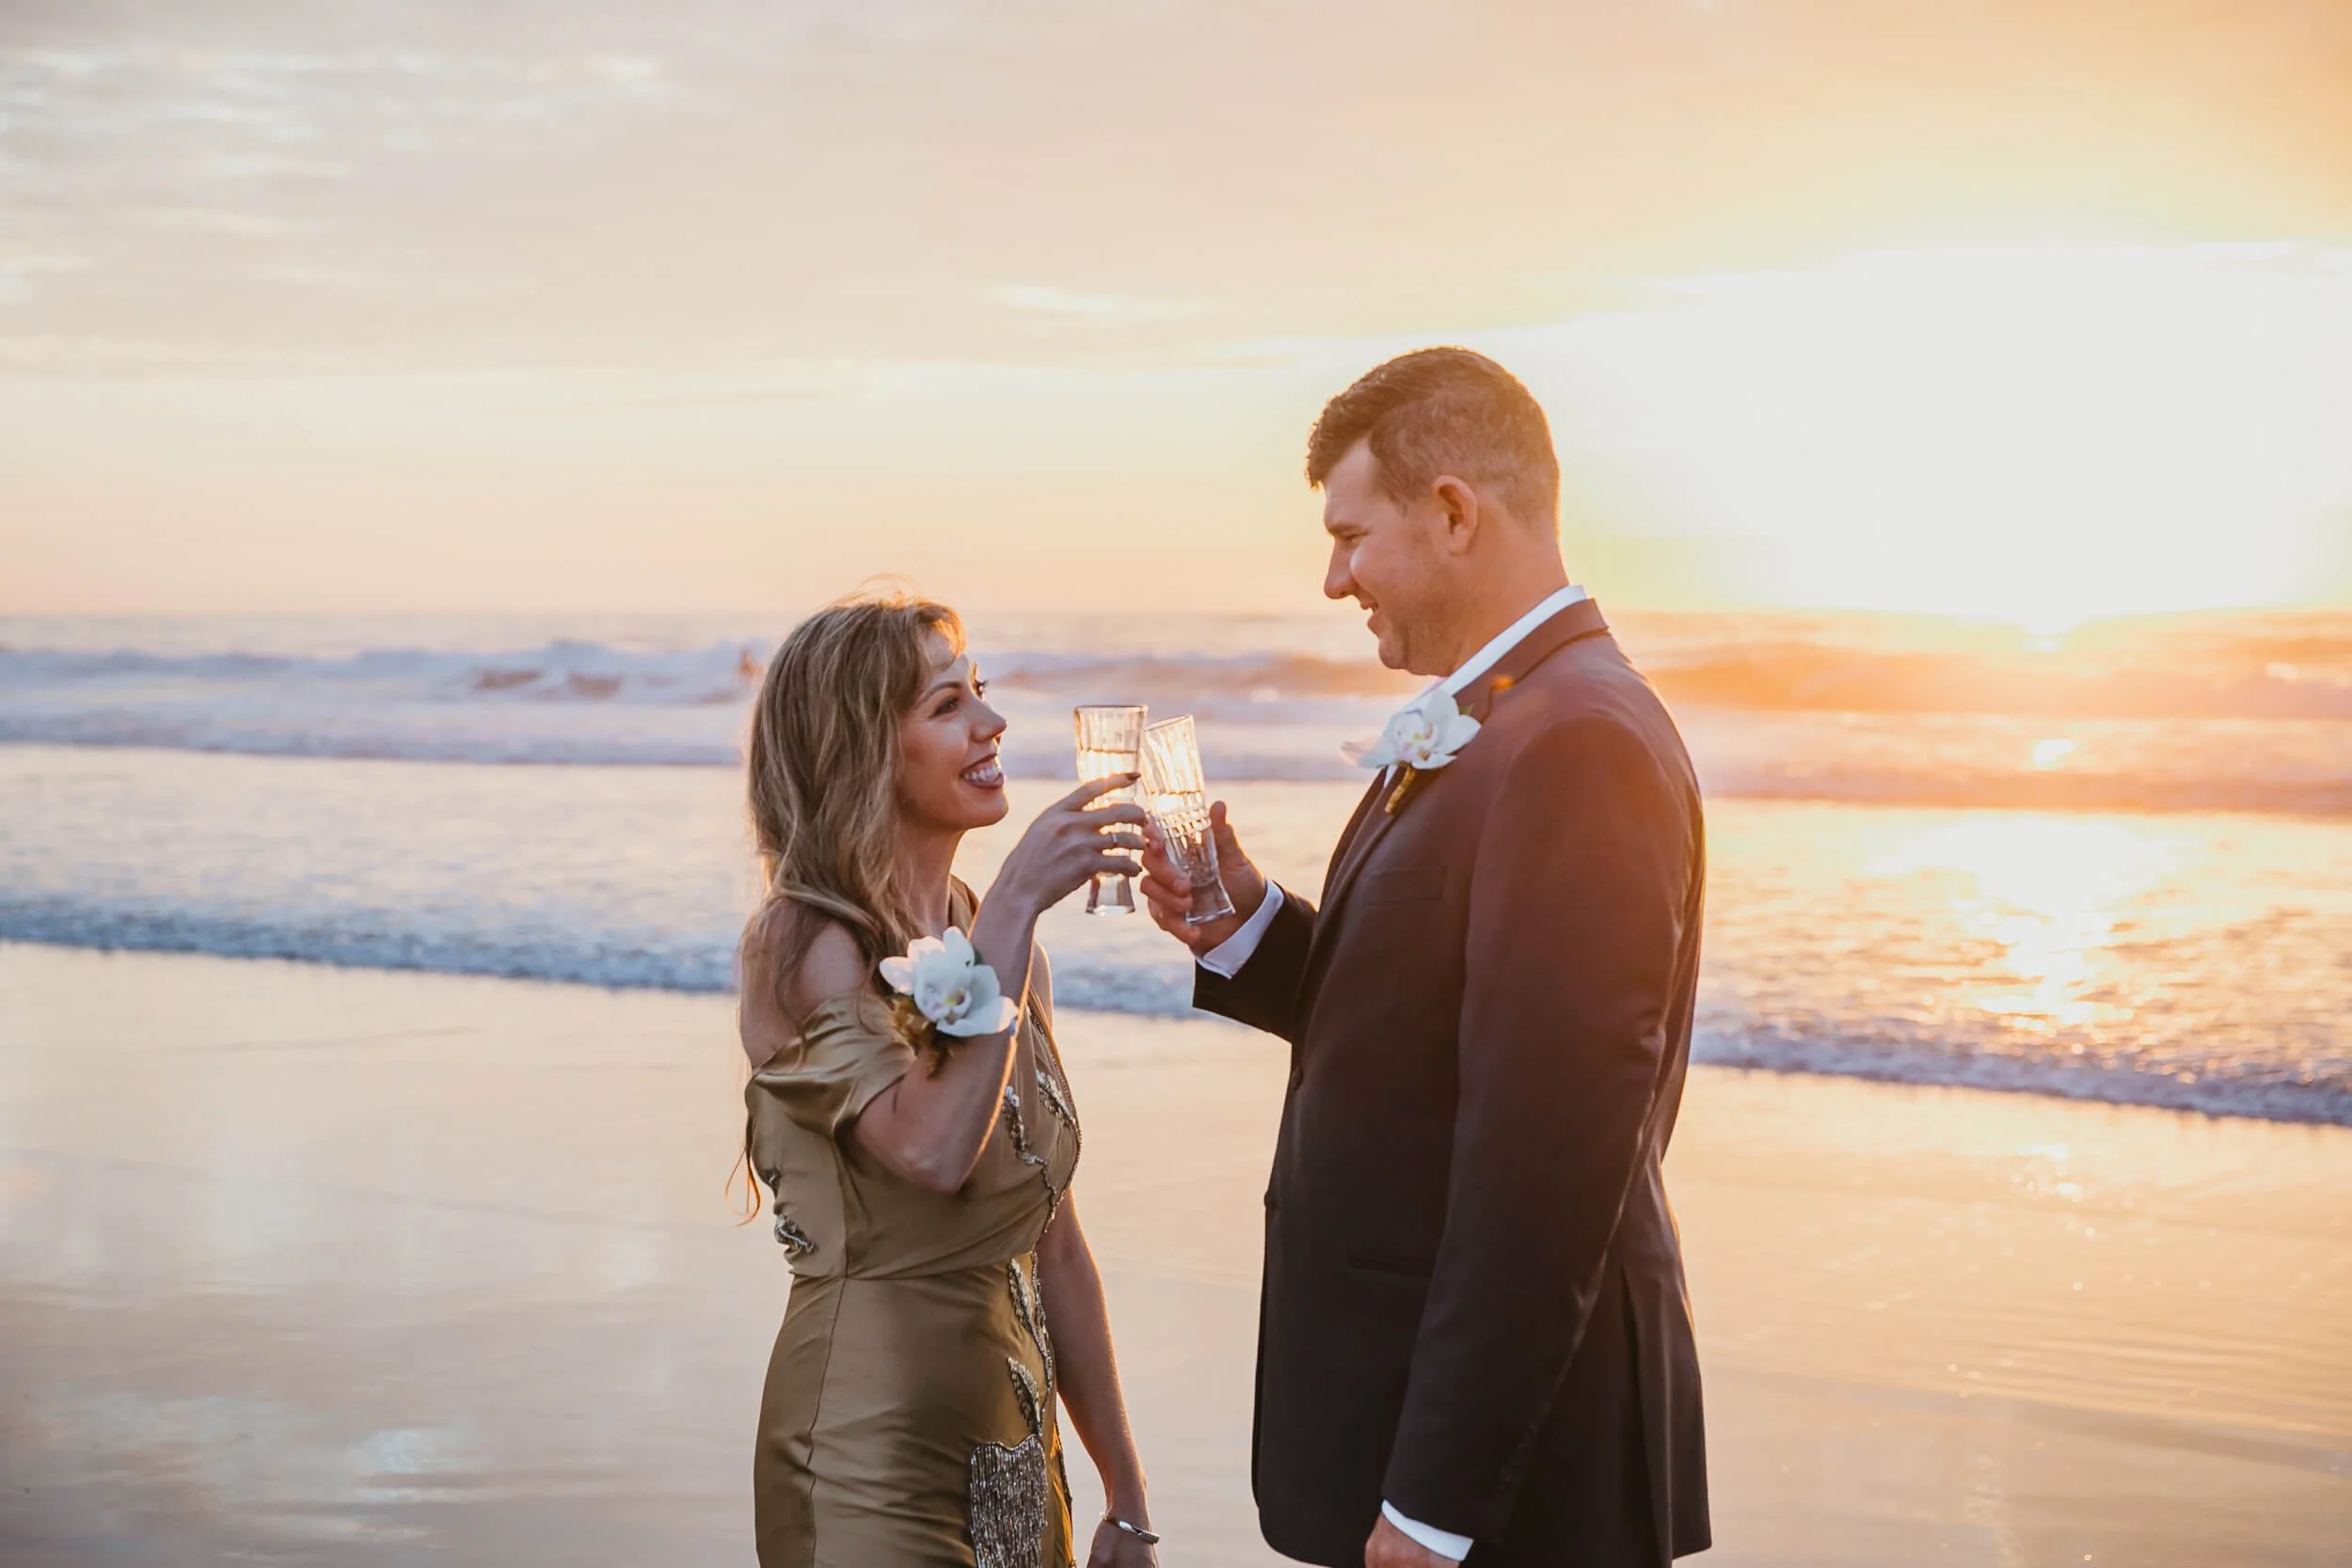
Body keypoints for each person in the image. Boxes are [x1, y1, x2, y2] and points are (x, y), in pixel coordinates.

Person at [1139, 349, 1710, 1567]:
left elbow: (1548, 1153)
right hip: (1412, 1440)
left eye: (1352, 535)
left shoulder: (1575, 742)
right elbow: (1442, 1034)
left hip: (1504, 1491)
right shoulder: (1511, 715)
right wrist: (1247, 923)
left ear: (1454, 511)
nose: (1333, 576)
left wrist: (1438, 1502)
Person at [738, 594, 1160, 1568]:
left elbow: (1055, 1247)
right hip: (863, 1455)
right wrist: (1014, 902)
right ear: (862, 749)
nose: (992, 721)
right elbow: (928, 1150)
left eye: (980, 691)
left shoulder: (1008, 949)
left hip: (1016, 1452)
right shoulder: (806, 944)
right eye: (945, 705)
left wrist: (1126, 1497)